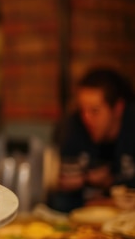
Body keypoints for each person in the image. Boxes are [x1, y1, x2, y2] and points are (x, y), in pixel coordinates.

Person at [49, 67, 135, 212]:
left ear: (118, 109)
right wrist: (84, 180)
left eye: (95, 111)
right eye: (83, 110)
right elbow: (59, 201)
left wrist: (110, 183)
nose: (86, 118)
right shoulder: (72, 129)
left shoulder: (131, 128)